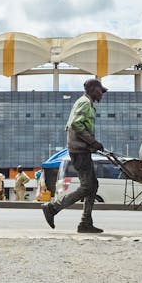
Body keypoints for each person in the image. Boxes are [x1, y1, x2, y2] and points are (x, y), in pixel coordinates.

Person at [42, 77, 107, 234]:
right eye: (100, 91)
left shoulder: (87, 103)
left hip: (81, 150)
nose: (102, 94)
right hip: (79, 151)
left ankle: (85, 222)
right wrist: (92, 142)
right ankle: (52, 207)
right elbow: (75, 125)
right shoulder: (84, 102)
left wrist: (91, 145)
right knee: (87, 186)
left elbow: (79, 126)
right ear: (93, 90)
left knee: (93, 185)